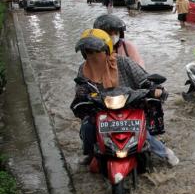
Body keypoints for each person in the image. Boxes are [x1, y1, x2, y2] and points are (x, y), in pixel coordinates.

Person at [71, 28, 179, 166]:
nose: (93, 56)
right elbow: (80, 87)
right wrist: (82, 95)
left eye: (97, 51)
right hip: (101, 109)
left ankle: (165, 153)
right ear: (84, 53)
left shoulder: (122, 62)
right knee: (87, 127)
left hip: (129, 105)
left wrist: (154, 88)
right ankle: (91, 154)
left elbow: (143, 78)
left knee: (143, 134)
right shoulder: (84, 69)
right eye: (89, 52)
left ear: (107, 50)